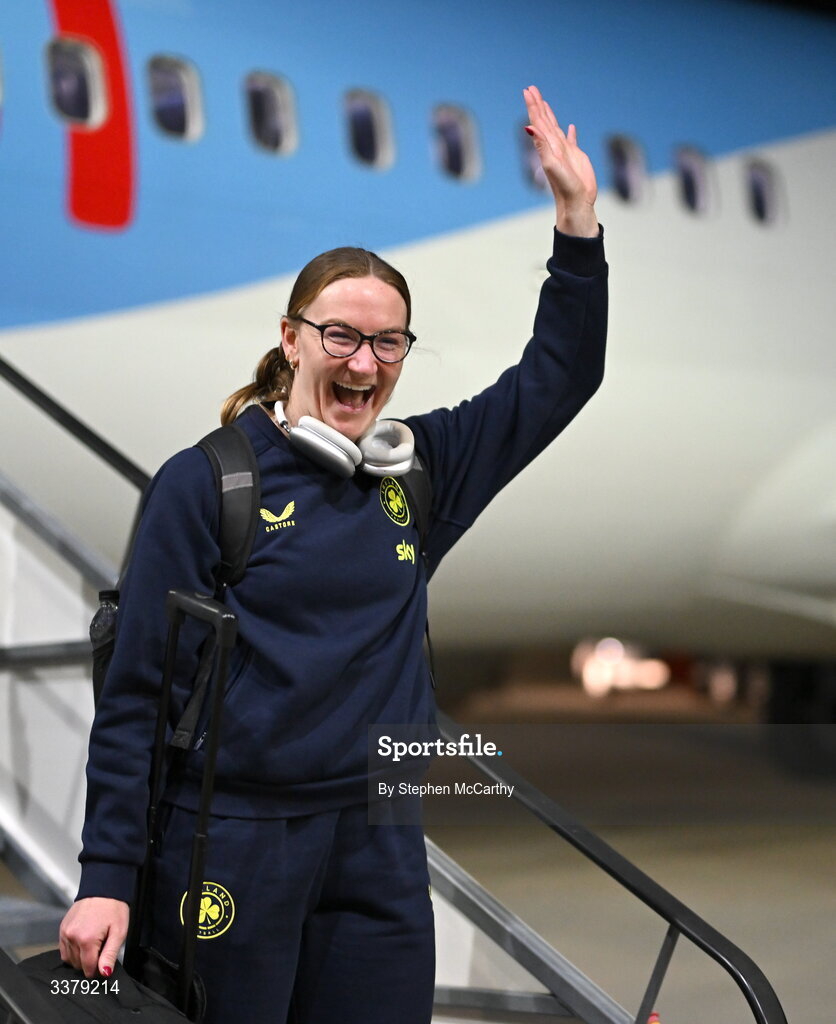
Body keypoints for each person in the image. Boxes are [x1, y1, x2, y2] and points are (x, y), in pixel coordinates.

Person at [59, 85, 607, 1024]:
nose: (363, 362)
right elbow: (138, 692)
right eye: (341, 335)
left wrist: (577, 223)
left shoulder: (418, 473)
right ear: (291, 338)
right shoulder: (208, 484)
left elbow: (560, 378)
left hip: (379, 838)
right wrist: (106, 875)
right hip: (231, 839)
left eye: (387, 343)